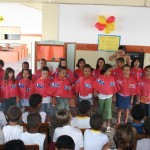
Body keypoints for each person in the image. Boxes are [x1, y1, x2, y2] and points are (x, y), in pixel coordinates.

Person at [93, 64, 117, 132]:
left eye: (110, 71)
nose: (110, 72)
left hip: (109, 96)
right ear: (105, 70)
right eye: (109, 71)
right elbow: (95, 86)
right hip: (101, 96)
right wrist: (95, 92)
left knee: (108, 110)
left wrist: (114, 96)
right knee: (100, 110)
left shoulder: (112, 78)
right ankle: (100, 124)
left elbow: (113, 88)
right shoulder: (99, 78)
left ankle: (108, 125)